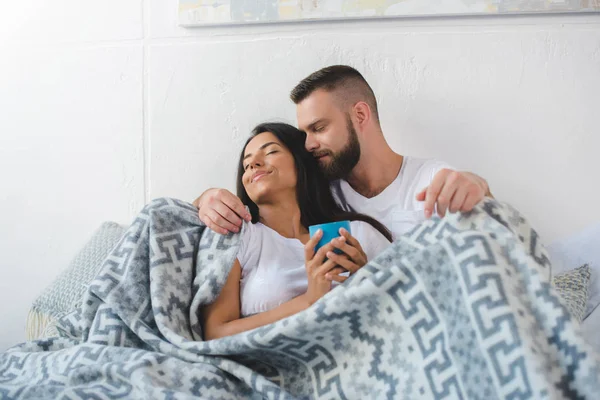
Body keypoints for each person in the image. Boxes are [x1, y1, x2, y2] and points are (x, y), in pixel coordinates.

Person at [194, 65, 492, 242]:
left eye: (319, 128)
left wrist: (478, 186)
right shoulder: (318, 193)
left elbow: (490, 230)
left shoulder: (429, 179)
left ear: (360, 115)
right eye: (305, 133)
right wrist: (205, 199)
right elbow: (257, 205)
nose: (308, 144)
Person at [202, 123, 391, 340]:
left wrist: (367, 284)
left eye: (271, 151)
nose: (253, 165)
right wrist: (309, 301)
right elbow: (216, 334)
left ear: (301, 162)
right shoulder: (237, 234)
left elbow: (408, 303)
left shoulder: (356, 234)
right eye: (246, 165)